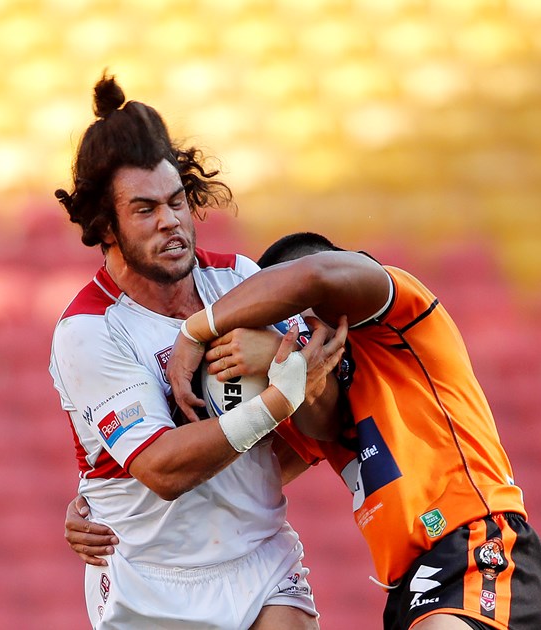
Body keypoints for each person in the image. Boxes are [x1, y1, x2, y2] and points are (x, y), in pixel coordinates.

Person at [48, 75, 348, 630]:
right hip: (150, 585)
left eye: (177, 201)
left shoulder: (241, 281)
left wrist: (304, 383)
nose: (169, 221)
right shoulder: (89, 331)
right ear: (105, 226)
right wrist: (276, 402)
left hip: (261, 561)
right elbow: (163, 470)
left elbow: (324, 424)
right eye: (144, 209)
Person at [160, 232, 541, 630]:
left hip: (477, 544)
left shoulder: (402, 320)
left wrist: (196, 330)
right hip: (411, 585)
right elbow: (242, 481)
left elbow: (315, 275)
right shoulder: (315, 398)